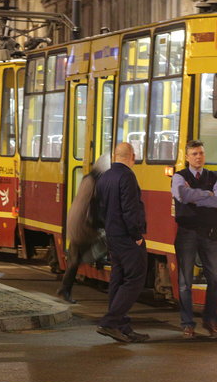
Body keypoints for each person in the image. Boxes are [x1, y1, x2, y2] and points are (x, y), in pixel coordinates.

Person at [94, 142, 149, 343]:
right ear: (132, 156)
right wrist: (136, 235)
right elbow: (130, 209)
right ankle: (109, 322)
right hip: (127, 237)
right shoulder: (127, 176)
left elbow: (99, 209)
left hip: (111, 235)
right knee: (134, 279)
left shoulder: (105, 177)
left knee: (117, 279)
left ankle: (122, 326)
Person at [171, 140, 217, 338]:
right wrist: (207, 195)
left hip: (208, 233)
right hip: (187, 233)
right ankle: (187, 323)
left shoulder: (214, 176)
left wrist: (195, 195)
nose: (198, 157)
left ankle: (210, 319)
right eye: (194, 153)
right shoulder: (179, 176)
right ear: (186, 157)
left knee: (216, 278)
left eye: (201, 153)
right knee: (185, 281)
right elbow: (181, 194)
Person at [57, 154, 110, 303]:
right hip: (84, 226)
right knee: (107, 241)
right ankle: (65, 289)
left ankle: (64, 289)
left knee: (74, 260)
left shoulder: (88, 179)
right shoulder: (96, 183)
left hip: (76, 223)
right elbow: (95, 208)